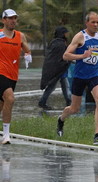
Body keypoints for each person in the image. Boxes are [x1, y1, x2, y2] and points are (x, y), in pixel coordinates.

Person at [56, 11, 98, 145]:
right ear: (86, 23)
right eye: (93, 22)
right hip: (79, 76)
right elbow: (65, 56)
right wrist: (82, 56)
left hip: (94, 75)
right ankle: (61, 120)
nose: (96, 25)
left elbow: (96, 54)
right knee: (74, 109)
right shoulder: (79, 37)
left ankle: (97, 135)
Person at [0, 9, 32, 144]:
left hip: (13, 75)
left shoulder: (20, 36)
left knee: (2, 105)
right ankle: (6, 135)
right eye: (10, 18)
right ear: (3, 20)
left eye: (15, 18)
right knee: (10, 98)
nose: (13, 21)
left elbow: (26, 48)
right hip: (1, 72)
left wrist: (27, 55)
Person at [38, 26, 71, 110]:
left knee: (62, 85)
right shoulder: (60, 44)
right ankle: (43, 102)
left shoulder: (55, 42)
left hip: (59, 69)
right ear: (62, 34)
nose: (67, 34)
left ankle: (68, 102)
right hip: (58, 69)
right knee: (55, 86)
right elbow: (60, 57)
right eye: (65, 33)